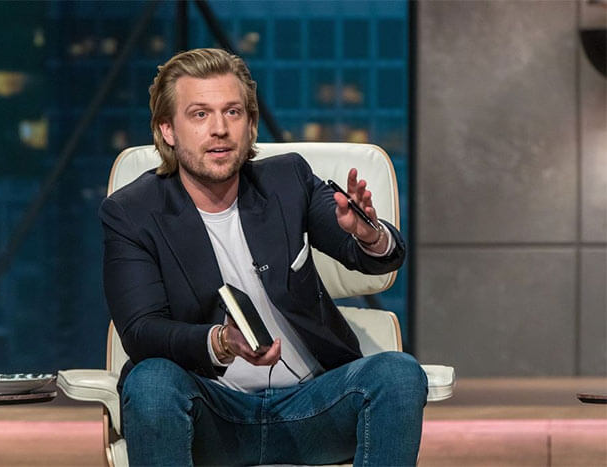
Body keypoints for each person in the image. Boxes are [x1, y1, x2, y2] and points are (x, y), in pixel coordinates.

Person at [100, 48, 427, 466]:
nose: (220, 129)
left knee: (398, 373)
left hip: (313, 409)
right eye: (200, 114)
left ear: (251, 124)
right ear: (168, 130)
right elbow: (141, 331)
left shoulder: (287, 180)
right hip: (212, 415)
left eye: (233, 112)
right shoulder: (132, 212)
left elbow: (371, 255)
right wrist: (220, 342)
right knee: (151, 381)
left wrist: (369, 235)